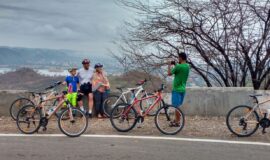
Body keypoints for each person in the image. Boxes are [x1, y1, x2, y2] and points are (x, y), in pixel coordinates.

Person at [168, 52, 190, 126]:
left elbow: (169, 73)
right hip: (183, 89)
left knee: (176, 107)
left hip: (176, 89)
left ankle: (178, 122)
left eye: (178, 57)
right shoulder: (187, 66)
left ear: (180, 58)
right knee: (178, 106)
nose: (178, 59)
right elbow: (180, 68)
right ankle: (176, 120)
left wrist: (169, 65)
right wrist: (176, 64)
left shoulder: (178, 67)